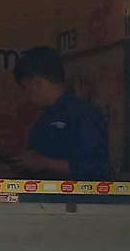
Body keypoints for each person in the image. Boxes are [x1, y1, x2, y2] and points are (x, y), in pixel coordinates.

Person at [7, 46, 111, 180]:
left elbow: (98, 168)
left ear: (37, 82)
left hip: (75, 193)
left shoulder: (83, 113)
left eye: (26, 88)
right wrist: (23, 164)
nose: (26, 95)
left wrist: (44, 163)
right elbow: (37, 162)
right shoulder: (44, 118)